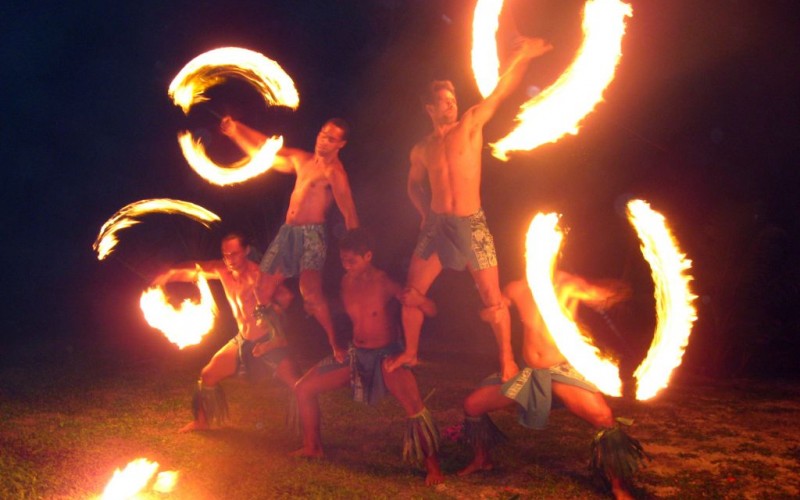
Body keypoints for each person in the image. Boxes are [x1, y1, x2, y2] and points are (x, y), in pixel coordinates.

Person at [385, 38, 553, 381]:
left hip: (471, 223)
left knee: (492, 299)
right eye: (444, 102)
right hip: (436, 225)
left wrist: (521, 56)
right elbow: (412, 184)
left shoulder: (471, 124)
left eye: (452, 99)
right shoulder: (421, 149)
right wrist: (421, 213)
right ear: (429, 108)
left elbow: (501, 92)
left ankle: (506, 360)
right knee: (410, 293)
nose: (451, 105)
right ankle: (411, 352)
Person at [458, 272, 647, 500]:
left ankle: (619, 486)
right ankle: (482, 459)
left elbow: (597, 295)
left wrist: (612, 292)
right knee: (473, 405)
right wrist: (488, 315)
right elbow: (497, 309)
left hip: (560, 370)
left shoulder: (568, 284)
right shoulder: (518, 287)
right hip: (527, 371)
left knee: (604, 417)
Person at [291, 228, 444, 485]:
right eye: (343, 260)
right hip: (356, 354)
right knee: (303, 388)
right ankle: (312, 447)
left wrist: (420, 299)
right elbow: (349, 314)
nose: (346, 265)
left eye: (352, 260)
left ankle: (435, 469)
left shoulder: (384, 281)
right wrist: (334, 340)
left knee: (415, 407)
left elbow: (429, 309)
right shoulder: (345, 281)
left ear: (368, 256)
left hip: (388, 355)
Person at [221, 116, 359, 364]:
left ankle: (335, 343)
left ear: (341, 144)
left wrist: (356, 249)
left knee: (311, 296)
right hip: (288, 233)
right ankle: (277, 336)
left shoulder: (334, 172)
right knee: (261, 289)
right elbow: (266, 151)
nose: (323, 141)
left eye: (331, 139)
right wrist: (236, 130)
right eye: (322, 134)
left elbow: (348, 209)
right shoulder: (303, 160)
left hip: (312, 235)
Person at [152, 232, 299, 432]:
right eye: (226, 254)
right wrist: (168, 274)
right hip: (242, 340)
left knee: (298, 386)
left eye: (235, 254)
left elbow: (287, 297)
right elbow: (197, 268)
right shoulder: (223, 270)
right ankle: (201, 422)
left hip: (267, 340)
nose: (230, 260)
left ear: (246, 251)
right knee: (208, 375)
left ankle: (311, 442)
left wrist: (273, 312)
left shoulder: (259, 275)